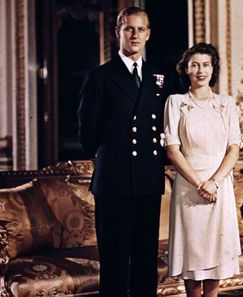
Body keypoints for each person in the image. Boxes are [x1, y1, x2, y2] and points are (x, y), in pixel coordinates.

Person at [78, 6, 167, 297]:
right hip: (114, 182)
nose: (135, 35)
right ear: (118, 32)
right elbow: (87, 135)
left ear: (149, 34)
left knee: (145, 261)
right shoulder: (99, 77)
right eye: (129, 28)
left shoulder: (159, 77)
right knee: (114, 264)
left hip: (148, 182)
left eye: (141, 29)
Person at [163, 43, 242, 297]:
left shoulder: (226, 103)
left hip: (219, 188)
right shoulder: (176, 103)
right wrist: (200, 183)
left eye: (206, 65)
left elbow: (234, 149)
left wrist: (214, 183)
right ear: (185, 69)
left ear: (213, 69)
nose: (200, 70)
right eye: (194, 65)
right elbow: (173, 150)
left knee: (215, 261)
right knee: (193, 262)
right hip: (190, 187)